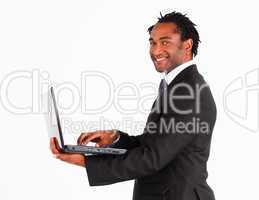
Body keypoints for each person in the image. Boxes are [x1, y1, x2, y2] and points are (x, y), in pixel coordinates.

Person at [50, 11, 217, 200]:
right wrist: (114, 139)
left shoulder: (190, 92)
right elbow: (153, 144)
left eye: (165, 42)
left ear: (187, 45)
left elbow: (152, 158)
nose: (155, 50)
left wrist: (87, 162)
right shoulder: (178, 86)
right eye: (152, 42)